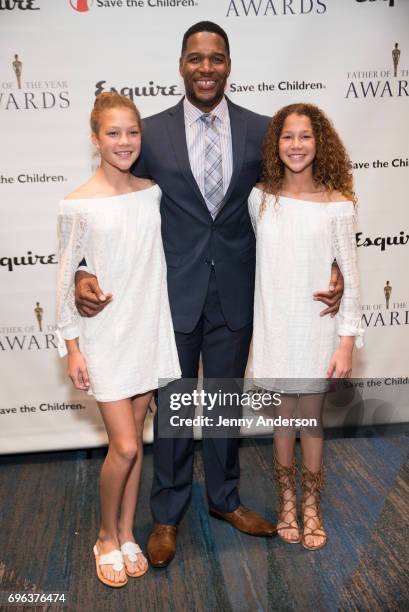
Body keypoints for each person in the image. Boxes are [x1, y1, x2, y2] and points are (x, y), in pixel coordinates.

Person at [75, 23, 344, 567]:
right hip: (167, 296)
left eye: (215, 58)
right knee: (173, 409)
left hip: (237, 295)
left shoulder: (263, 131)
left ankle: (225, 499)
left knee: (222, 403)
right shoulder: (149, 134)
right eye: (196, 58)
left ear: (228, 64)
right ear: (180, 64)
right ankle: (167, 515)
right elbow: (110, 205)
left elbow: (300, 198)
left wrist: (334, 261)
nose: (205, 68)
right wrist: (83, 269)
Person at [56, 92, 181, 587]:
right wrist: (72, 347)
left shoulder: (151, 191)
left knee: (137, 442)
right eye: (113, 133)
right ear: (95, 139)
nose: (124, 141)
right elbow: (67, 277)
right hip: (105, 336)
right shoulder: (76, 204)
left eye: (131, 132)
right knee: (125, 447)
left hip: (149, 330)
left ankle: (128, 533)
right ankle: (105, 537)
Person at [248, 103, 364, 550]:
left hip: (318, 326)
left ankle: (312, 506)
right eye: (288, 137)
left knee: (309, 420)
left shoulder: (339, 205)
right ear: (276, 144)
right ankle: (286, 505)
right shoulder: (260, 198)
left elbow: (349, 276)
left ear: (321, 143)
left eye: (306, 136)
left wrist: (347, 341)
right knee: (283, 421)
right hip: (276, 325)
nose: (296, 146)